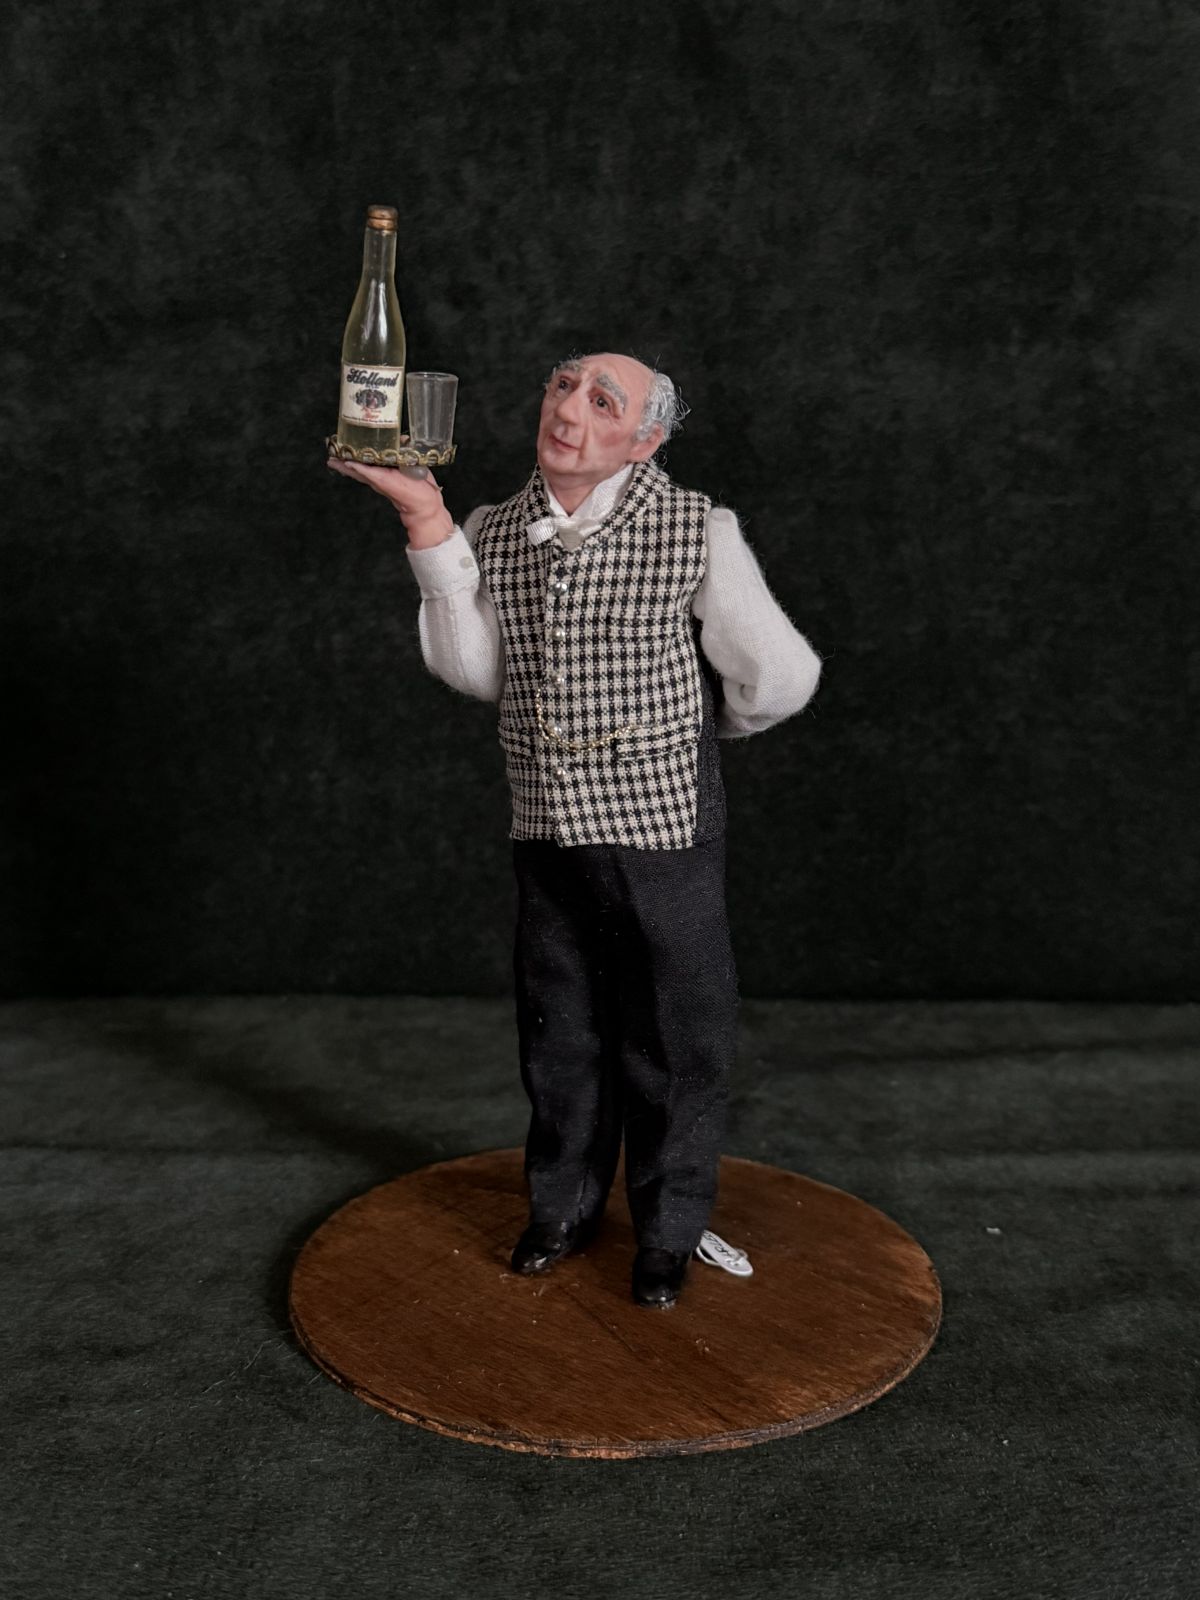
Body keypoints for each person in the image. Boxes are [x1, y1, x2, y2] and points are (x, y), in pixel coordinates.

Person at [327, 352, 822, 1308]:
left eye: (604, 401)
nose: (570, 411)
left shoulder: (694, 529)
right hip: (545, 821)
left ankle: (669, 1229)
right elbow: (478, 671)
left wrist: (686, 733)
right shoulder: (497, 529)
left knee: (675, 1032)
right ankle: (562, 1206)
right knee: (561, 1027)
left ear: (646, 440)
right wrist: (426, 520)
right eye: (563, 386)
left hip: (659, 821)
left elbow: (781, 676)